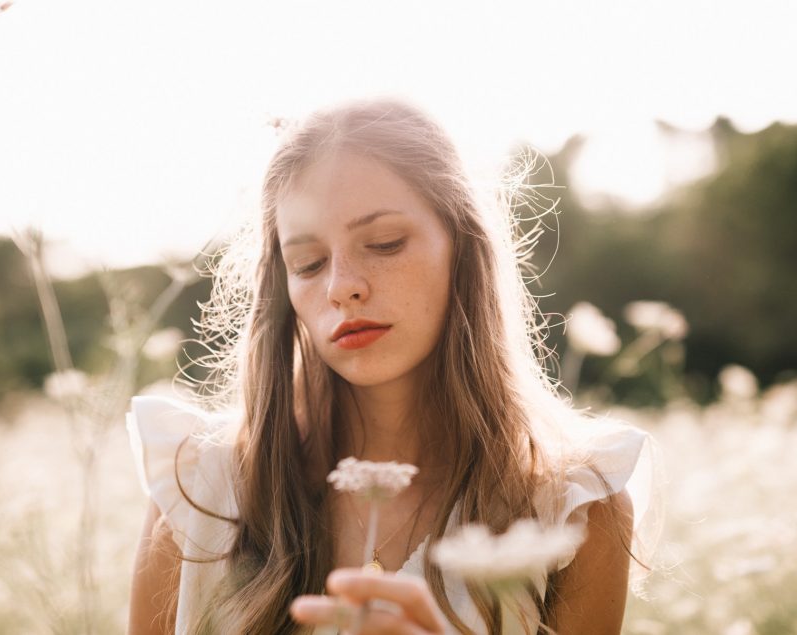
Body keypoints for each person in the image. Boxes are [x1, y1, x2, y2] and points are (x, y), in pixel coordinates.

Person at [126, 99, 658, 634]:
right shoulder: (199, 487)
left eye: (384, 243)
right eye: (308, 264)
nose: (340, 287)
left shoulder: (572, 506)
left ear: (463, 246)